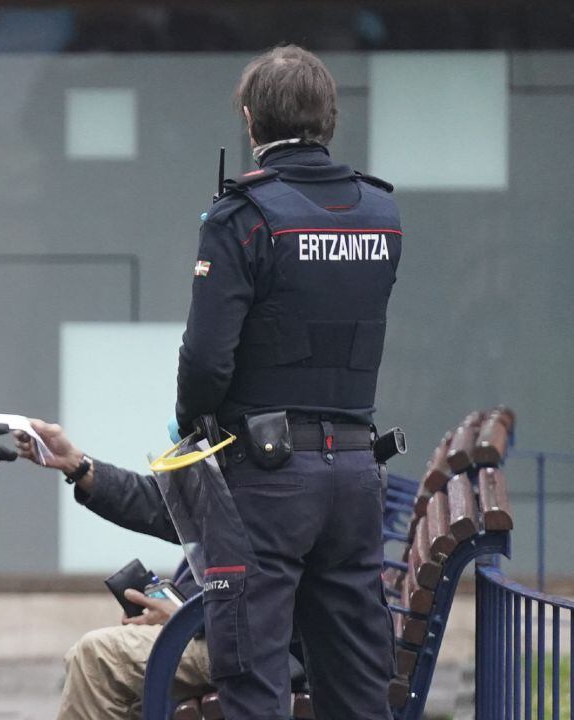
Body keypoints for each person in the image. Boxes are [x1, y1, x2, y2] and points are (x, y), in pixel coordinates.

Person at [175, 45, 401, 719]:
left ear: (250, 120)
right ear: (329, 118)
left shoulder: (242, 217)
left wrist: (193, 422)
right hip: (357, 475)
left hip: (267, 482)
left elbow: (207, 359)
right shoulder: (382, 216)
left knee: (253, 683)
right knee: (358, 688)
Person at [14, 419, 307, 720]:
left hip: (259, 643)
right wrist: (76, 464)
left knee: (97, 657)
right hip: (225, 628)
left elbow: (278, 592)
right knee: (114, 671)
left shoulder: (283, 482)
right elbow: (154, 503)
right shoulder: (252, 474)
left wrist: (186, 616)